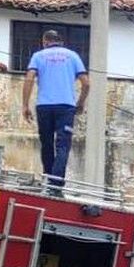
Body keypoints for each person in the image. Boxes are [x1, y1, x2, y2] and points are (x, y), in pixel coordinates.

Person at [22, 30, 89, 190]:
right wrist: (80, 102)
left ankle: (48, 176)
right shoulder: (72, 56)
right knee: (63, 144)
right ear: (60, 42)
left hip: (44, 107)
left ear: (45, 41)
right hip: (66, 107)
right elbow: (86, 83)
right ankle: (56, 182)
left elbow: (30, 78)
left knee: (46, 143)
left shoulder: (38, 56)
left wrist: (25, 105)